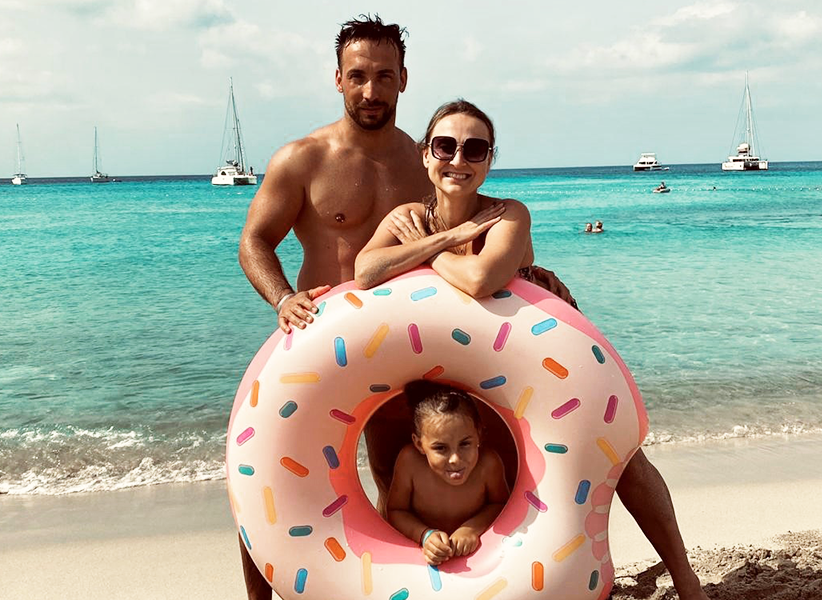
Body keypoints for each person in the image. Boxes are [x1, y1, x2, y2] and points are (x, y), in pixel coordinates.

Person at [239, 15, 705, 600]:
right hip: (337, 351)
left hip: (457, 348)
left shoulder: (428, 158)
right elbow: (255, 241)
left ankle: (677, 577)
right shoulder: (301, 160)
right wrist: (283, 298)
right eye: (358, 75)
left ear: (404, 80)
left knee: (511, 474)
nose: (371, 90)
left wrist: (536, 279)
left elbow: (485, 234)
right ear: (337, 78)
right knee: (278, 466)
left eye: (385, 76)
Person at [354, 99, 709, 600]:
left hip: (530, 361)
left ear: (489, 159)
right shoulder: (406, 217)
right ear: (424, 154)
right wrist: (449, 239)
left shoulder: (507, 215)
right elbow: (365, 272)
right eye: (445, 146)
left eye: (475, 148)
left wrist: (423, 253)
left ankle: (684, 576)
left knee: (623, 456)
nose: (459, 159)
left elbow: (479, 280)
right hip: (453, 368)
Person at [386, 380, 509, 566]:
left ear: (479, 434)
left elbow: (500, 504)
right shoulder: (409, 461)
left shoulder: (488, 464)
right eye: (440, 448)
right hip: (419, 547)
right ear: (419, 444)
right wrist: (425, 535)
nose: (455, 459)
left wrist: (471, 529)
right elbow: (396, 510)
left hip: (478, 558)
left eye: (465, 444)